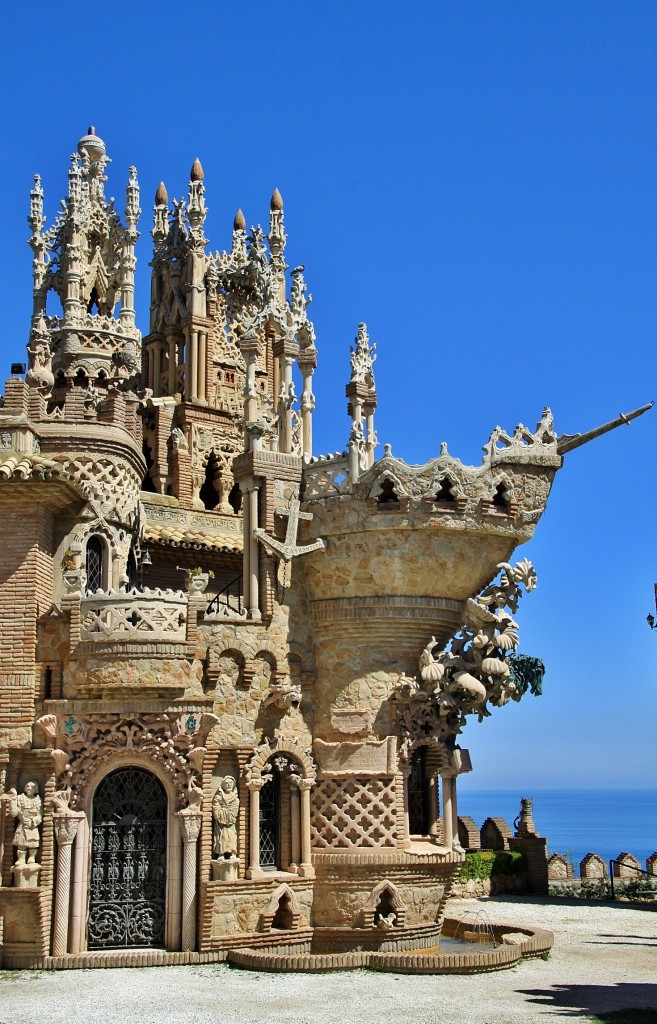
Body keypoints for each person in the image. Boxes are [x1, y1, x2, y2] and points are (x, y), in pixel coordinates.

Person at [7, 780, 42, 864]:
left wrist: (33, 821)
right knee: (21, 843)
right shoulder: (20, 798)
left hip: (32, 826)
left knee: (33, 844)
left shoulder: (38, 800)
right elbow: (14, 813)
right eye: (27, 786)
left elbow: (40, 816)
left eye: (32, 787)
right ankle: (21, 859)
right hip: (22, 825)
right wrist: (13, 799)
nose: (29, 788)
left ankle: (32, 857)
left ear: (35, 789)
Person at [212, 776, 239, 859]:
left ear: (234, 785)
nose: (229, 785)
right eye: (226, 783)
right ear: (223, 785)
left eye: (231, 783)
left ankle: (233, 852)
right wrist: (224, 813)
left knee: (231, 836)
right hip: (221, 824)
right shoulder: (218, 796)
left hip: (231, 823)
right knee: (222, 837)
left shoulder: (235, 798)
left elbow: (234, 811)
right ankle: (221, 853)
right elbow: (216, 809)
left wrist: (224, 811)